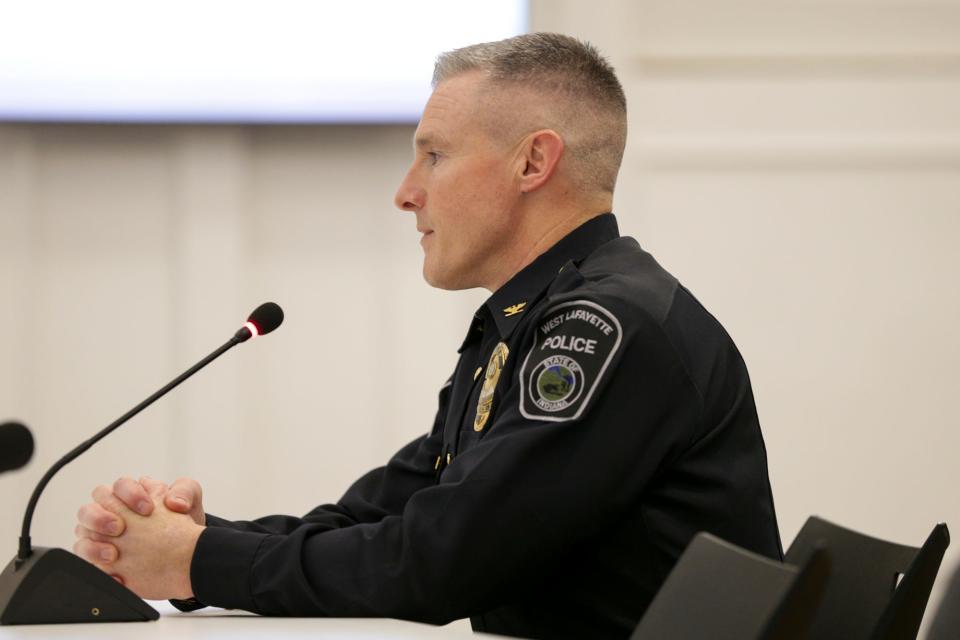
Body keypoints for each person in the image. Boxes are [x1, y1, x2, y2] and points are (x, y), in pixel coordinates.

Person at [73, 33, 781, 639]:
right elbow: (385, 515)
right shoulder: (530, 321)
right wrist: (201, 546)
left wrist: (196, 560)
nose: (407, 191)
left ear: (533, 163)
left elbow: (435, 566)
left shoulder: (603, 331)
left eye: (434, 155)